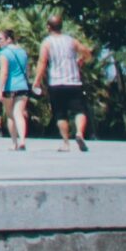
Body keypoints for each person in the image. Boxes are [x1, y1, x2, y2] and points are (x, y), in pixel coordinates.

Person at [36, 13, 94, 153]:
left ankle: (66, 143)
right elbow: (87, 52)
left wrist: (37, 81)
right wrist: (82, 60)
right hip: (74, 82)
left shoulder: (47, 42)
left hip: (56, 83)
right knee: (79, 110)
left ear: (48, 27)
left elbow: (42, 62)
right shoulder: (71, 41)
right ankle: (79, 132)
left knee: (60, 114)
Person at [0, 27, 34, 150]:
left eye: (1, 39)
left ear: (9, 39)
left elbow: (4, 72)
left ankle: (14, 143)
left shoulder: (3, 53)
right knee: (19, 113)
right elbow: (27, 70)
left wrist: (0, 89)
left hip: (9, 87)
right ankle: (22, 140)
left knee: (10, 115)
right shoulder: (23, 52)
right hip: (22, 86)